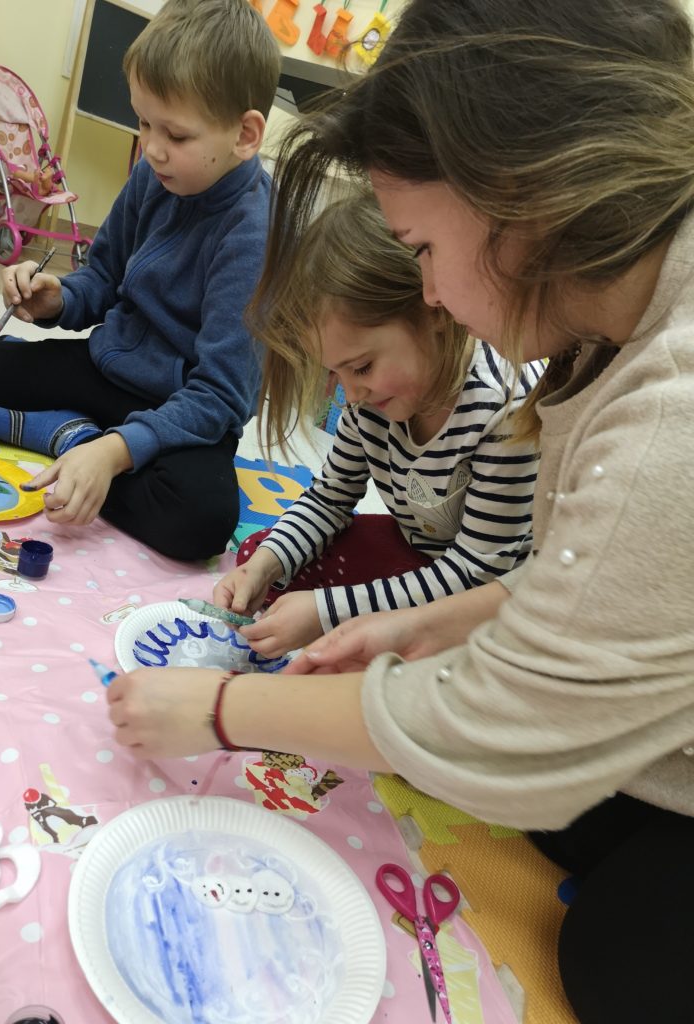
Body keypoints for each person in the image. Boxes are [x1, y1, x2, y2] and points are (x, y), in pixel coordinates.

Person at [107, 1, 694, 1020]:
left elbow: (497, 724)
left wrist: (219, 710)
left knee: (611, 964)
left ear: (517, 198)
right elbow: (547, 583)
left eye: (420, 247)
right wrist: (415, 625)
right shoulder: (606, 334)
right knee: (561, 830)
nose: (432, 289)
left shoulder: (652, 420)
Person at [0, 0, 281, 560]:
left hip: (182, 411)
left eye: (176, 135)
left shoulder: (254, 232)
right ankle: (69, 435)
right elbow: (104, 277)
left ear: (245, 134)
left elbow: (220, 395)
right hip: (102, 368)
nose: (153, 149)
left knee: (200, 520)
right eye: (144, 123)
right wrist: (57, 299)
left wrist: (114, 452)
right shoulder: (154, 173)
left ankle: (65, 438)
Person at [214, 189, 542, 657]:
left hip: (488, 600)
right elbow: (330, 498)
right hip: (421, 558)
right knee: (260, 558)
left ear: (434, 312)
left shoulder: (500, 408)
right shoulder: (369, 400)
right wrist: (265, 566)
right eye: (335, 373)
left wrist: (330, 612)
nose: (351, 395)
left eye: (363, 367)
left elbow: (477, 573)